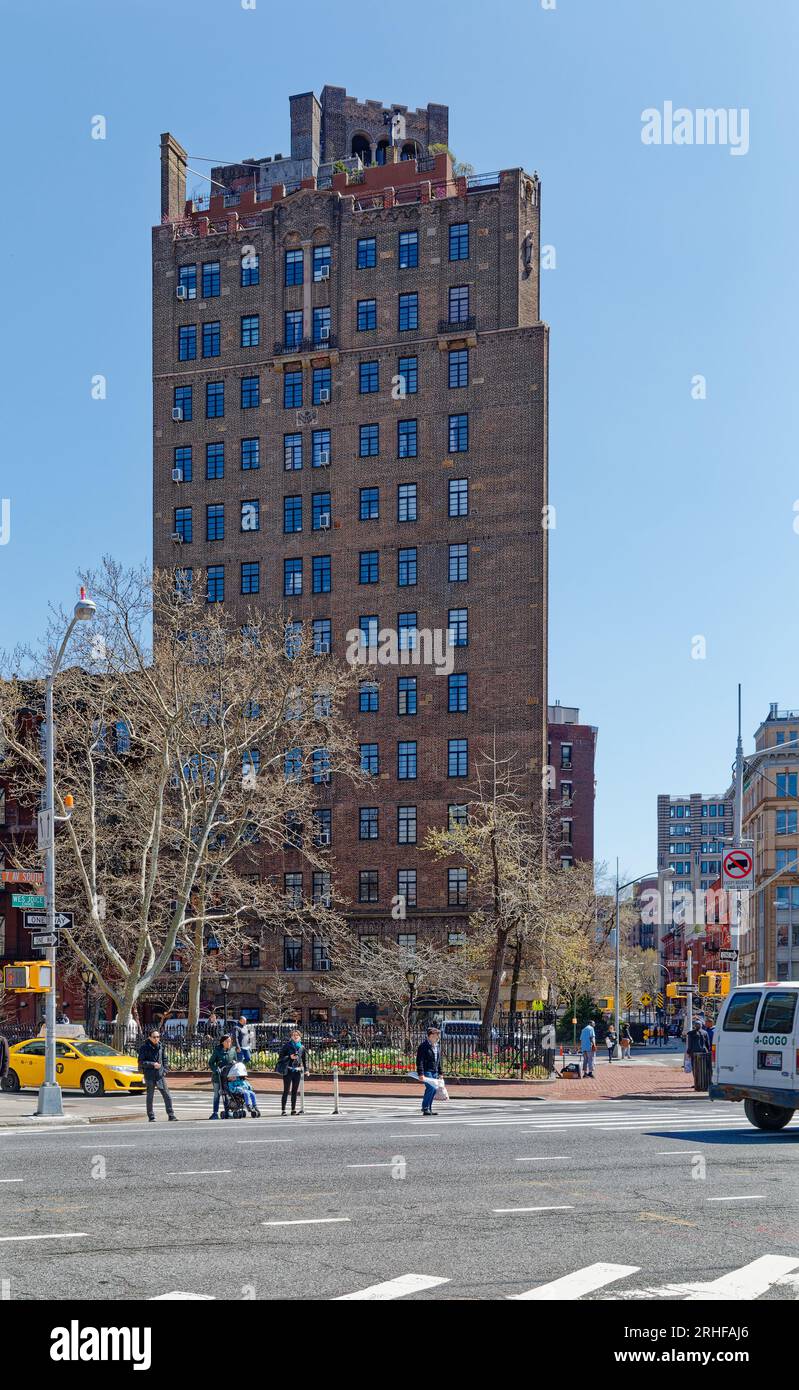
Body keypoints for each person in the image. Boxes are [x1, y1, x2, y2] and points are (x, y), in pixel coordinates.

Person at [137, 1027, 177, 1122]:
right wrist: (152, 1064)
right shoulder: (144, 1047)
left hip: (160, 1075)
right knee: (150, 1096)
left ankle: (171, 1115)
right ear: (150, 1037)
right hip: (149, 1075)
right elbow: (141, 1062)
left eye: (158, 1037)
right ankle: (151, 1116)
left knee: (167, 1095)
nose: (156, 1039)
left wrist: (165, 1070)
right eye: (154, 1037)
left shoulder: (161, 1046)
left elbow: (165, 1059)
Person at [277, 1029, 309, 1115]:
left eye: (297, 1035)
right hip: (288, 1070)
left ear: (300, 1037)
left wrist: (306, 1070)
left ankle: (293, 1110)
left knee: (294, 1091)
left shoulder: (301, 1047)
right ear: (291, 1037)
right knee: (286, 1090)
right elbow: (280, 1058)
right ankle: (283, 1110)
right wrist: (289, 1057)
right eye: (294, 1035)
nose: (295, 1036)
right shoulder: (287, 1046)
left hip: (297, 1071)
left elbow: (304, 1060)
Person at [416, 1025, 443, 1115]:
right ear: (431, 1035)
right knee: (430, 1087)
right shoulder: (423, 1046)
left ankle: (429, 1109)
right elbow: (419, 1060)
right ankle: (425, 1108)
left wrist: (440, 1072)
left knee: (434, 1089)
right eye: (436, 1035)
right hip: (427, 1071)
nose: (438, 1036)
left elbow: (438, 1060)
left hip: (434, 1071)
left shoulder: (437, 1046)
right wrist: (421, 1073)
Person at [209, 1032, 237, 1119]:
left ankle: (227, 1111)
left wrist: (235, 1063)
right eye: (227, 1041)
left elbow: (235, 1061)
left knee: (227, 1095)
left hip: (228, 1077)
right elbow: (211, 1063)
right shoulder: (217, 1050)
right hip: (218, 1078)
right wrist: (215, 1069)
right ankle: (215, 1113)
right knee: (217, 1095)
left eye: (230, 1041)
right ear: (223, 1042)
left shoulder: (232, 1050)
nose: (229, 1043)